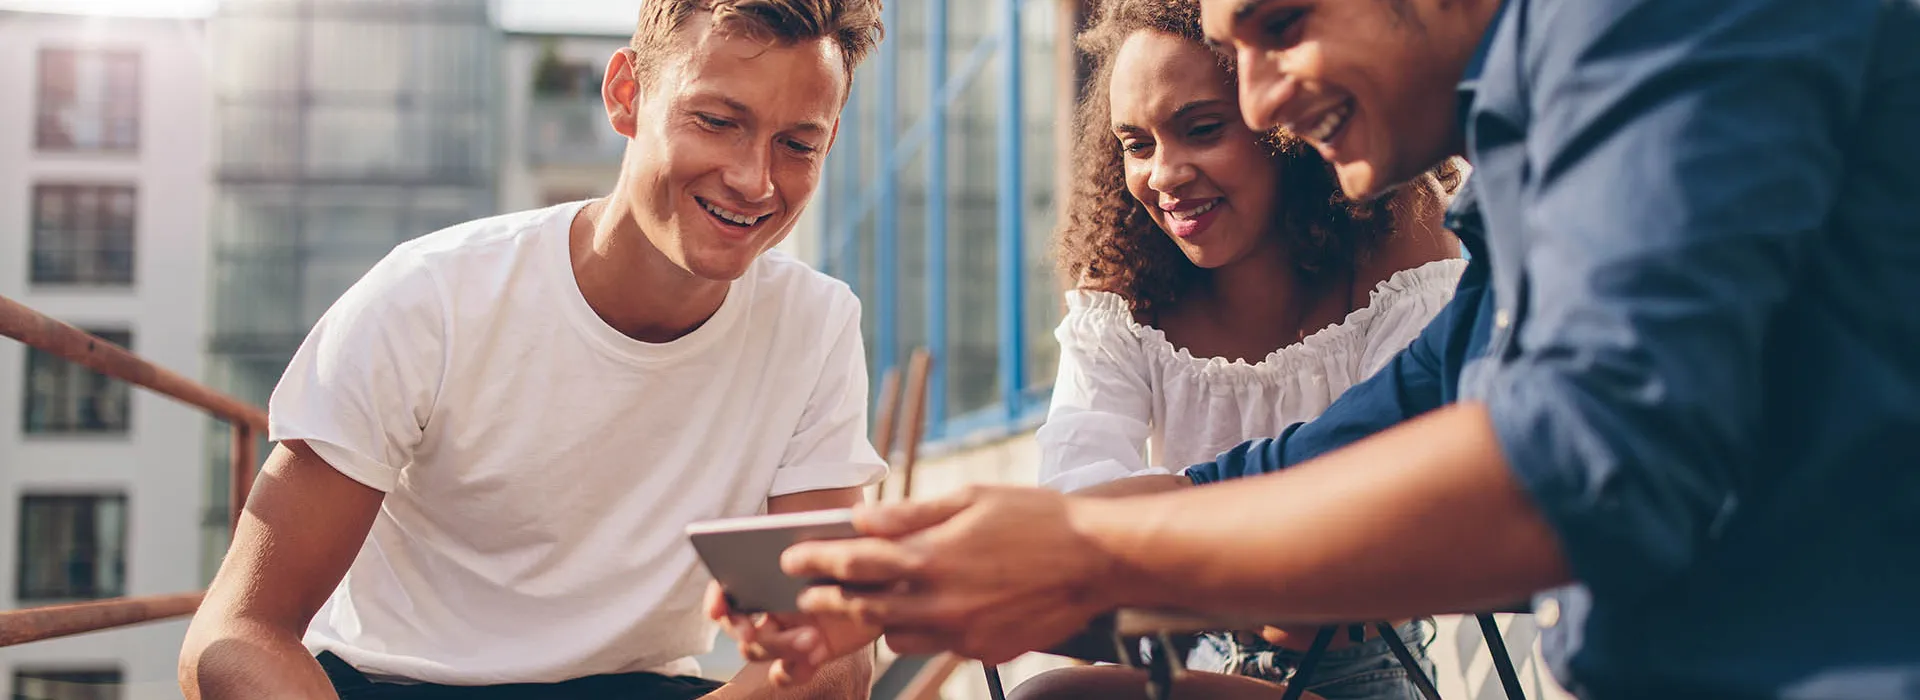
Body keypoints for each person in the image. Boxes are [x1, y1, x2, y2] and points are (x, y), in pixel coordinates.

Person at [723, 0, 1920, 698]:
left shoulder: (1646, 24)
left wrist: (1092, 550)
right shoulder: (1531, 132)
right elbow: (1396, 417)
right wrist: (928, 564)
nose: (1263, 98)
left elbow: (1587, 454)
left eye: (1282, 26)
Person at [178, 2, 889, 698]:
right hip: (398, 684)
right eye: (717, 121)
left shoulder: (813, 325)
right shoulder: (431, 296)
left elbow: (828, 652)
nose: (755, 179)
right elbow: (239, 629)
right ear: (626, 96)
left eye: (798, 144)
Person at [1033, 0, 1462, 696]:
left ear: (1283, 122)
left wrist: (1163, 545)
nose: (1164, 174)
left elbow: (1403, 511)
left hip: (1362, 671)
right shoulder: (1123, 286)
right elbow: (1074, 506)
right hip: (1186, 662)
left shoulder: (1400, 238)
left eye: (1202, 130)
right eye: (1136, 144)